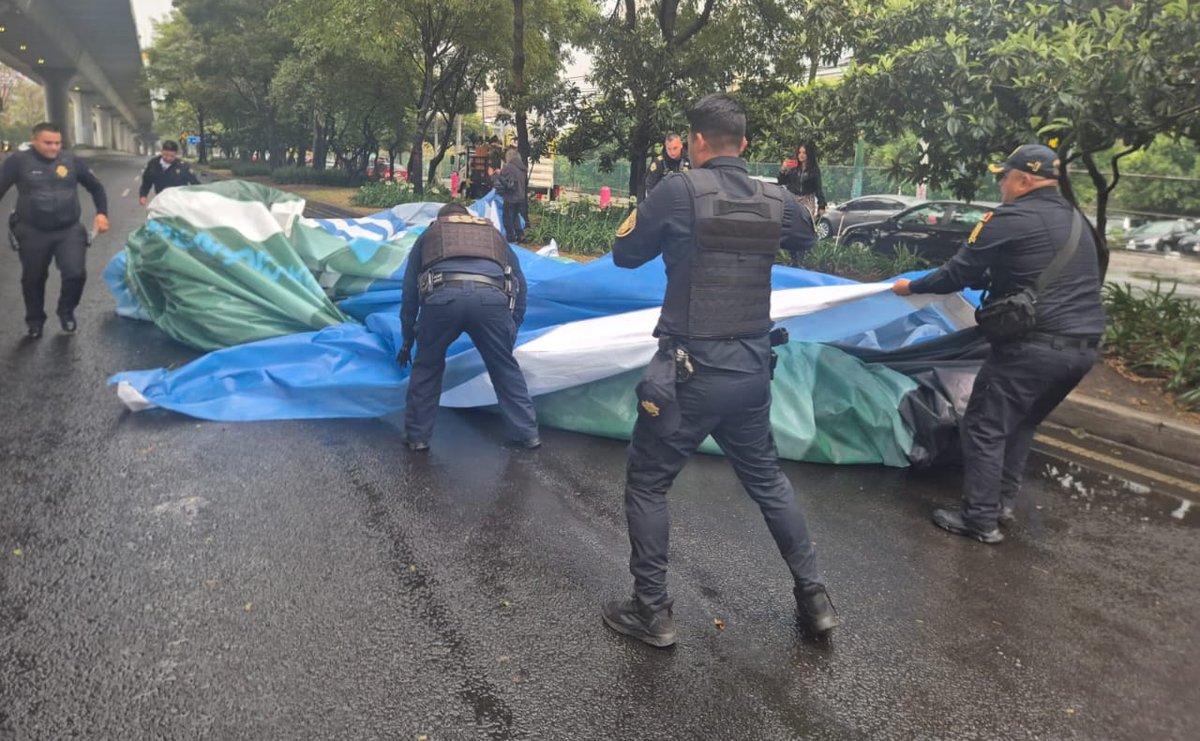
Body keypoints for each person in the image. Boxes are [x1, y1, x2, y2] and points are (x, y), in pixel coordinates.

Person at [601, 93, 838, 648]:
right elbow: (807, 234)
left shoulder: (677, 190)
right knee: (768, 482)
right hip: (752, 368)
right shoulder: (775, 198)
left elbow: (624, 254)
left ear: (698, 141)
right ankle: (816, 600)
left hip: (689, 372)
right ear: (745, 145)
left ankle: (652, 612)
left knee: (648, 482)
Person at [892, 144, 1106, 544]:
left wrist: (910, 287)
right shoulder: (1076, 220)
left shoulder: (1010, 217)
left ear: (1024, 179)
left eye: (1004, 177)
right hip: (1083, 348)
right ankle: (1000, 504)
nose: (1000, 184)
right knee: (1021, 422)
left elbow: (955, 274)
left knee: (984, 424)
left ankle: (979, 520)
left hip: (1034, 346)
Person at [397, 203, 540, 451]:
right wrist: (512, 325)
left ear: (443, 219)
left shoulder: (430, 233)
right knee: (505, 367)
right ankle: (528, 434)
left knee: (428, 367)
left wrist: (408, 339)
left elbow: (409, 291)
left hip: (442, 299)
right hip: (490, 301)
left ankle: (418, 438)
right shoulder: (493, 234)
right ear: (466, 217)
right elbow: (520, 284)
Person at [1, 122, 109, 338]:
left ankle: (66, 311)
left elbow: (96, 187)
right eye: (48, 143)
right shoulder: (18, 162)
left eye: (57, 143)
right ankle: (35, 321)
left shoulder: (71, 161)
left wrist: (101, 213)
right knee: (33, 278)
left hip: (68, 229)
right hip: (32, 230)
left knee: (75, 273)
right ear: (34, 141)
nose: (53, 148)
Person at [777, 143, 827, 259]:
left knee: (805, 226)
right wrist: (783, 169)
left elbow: (818, 188)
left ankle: (802, 254)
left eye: (804, 153)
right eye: (799, 152)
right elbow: (781, 182)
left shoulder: (814, 170)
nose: (801, 155)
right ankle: (792, 254)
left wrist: (821, 205)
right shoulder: (793, 168)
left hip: (807, 199)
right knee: (792, 226)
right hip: (793, 198)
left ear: (809, 154)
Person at [138, 140, 200, 206]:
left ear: (176, 154)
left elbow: (195, 183)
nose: (168, 158)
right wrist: (143, 195)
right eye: (165, 155)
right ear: (161, 152)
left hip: (180, 201)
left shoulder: (183, 166)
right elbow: (146, 182)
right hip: (161, 200)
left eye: (172, 156)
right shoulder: (153, 163)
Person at [495, 146, 528, 243]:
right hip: (520, 197)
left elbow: (502, 180)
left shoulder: (508, 167)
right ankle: (520, 235)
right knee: (515, 216)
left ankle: (510, 237)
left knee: (507, 217)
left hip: (510, 196)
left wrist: (498, 173)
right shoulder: (522, 168)